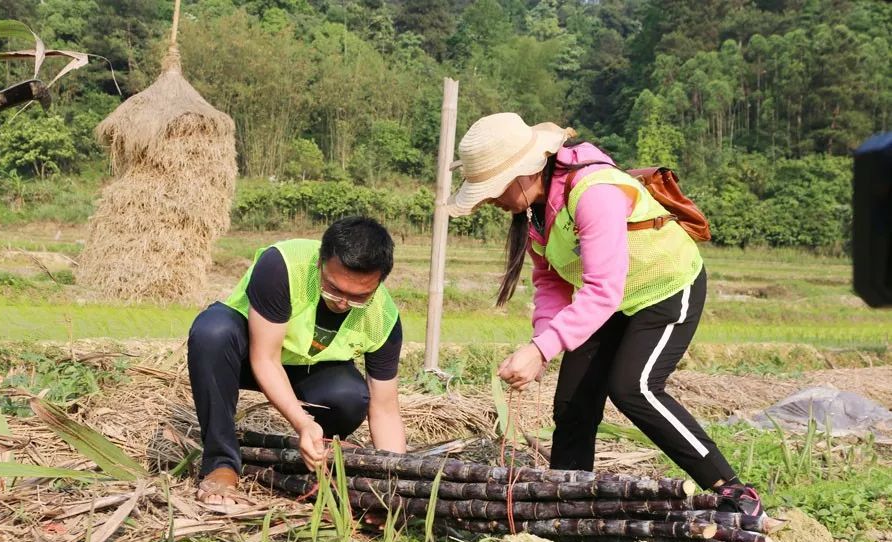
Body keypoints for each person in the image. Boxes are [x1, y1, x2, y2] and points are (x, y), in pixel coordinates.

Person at [448, 113, 763, 516]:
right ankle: (567, 503)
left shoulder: (593, 191)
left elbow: (602, 289)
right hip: (607, 300)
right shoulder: (536, 212)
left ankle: (732, 488)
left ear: (524, 172)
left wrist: (543, 350)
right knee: (573, 401)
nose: (491, 200)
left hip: (664, 288)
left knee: (635, 388)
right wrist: (541, 341)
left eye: (493, 190)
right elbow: (551, 280)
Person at [188, 216, 406, 504]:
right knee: (212, 333)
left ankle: (311, 458)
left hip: (307, 373)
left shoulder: (384, 320)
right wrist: (303, 422)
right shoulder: (282, 266)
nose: (342, 303)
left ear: (378, 284)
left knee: (351, 396)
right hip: (246, 356)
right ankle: (221, 463)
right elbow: (265, 358)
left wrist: (396, 485)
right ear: (320, 262)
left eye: (358, 297)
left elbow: (386, 410)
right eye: (333, 288)